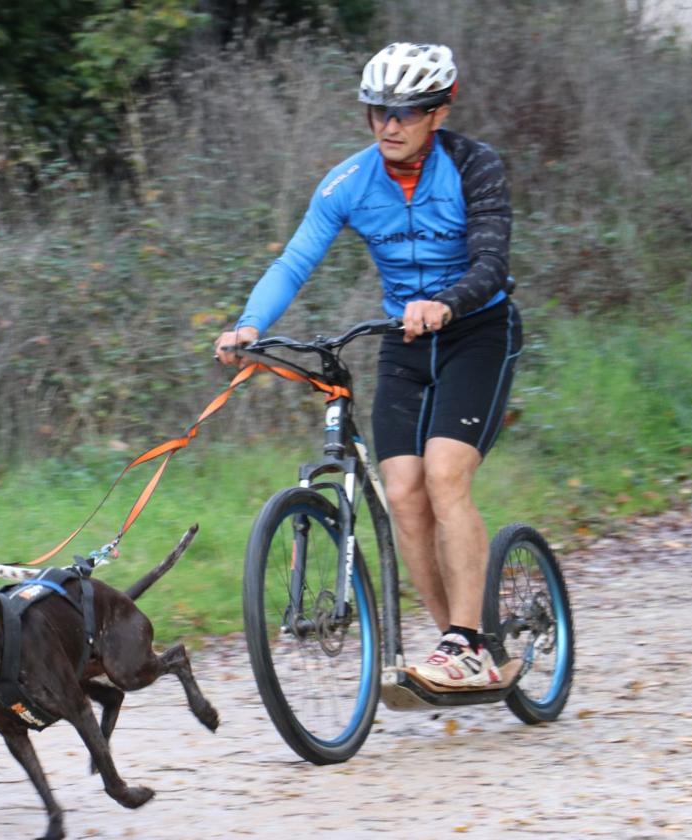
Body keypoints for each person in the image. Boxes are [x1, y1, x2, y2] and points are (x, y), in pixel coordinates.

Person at [214, 42, 521, 688]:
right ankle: (458, 647)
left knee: (444, 475)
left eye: (406, 113)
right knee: (404, 494)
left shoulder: (475, 167)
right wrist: (249, 325)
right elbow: (293, 262)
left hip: (478, 331)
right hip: (404, 342)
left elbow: (491, 261)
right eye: (377, 112)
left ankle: (466, 642)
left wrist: (446, 302)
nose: (389, 125)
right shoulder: (349, 183)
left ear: (440, 112)